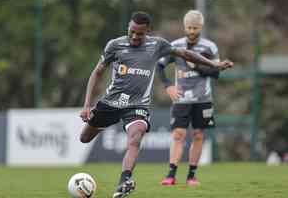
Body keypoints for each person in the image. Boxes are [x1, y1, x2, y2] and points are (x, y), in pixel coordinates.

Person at [79, 11, 233, 198]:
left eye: (140, 33)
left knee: (135, 138)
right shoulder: (115, 45)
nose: (135, 36)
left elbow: (185, 53)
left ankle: (124, 181)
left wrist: (213, 65)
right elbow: (97, 72)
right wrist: (87, 105)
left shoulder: (157, 45)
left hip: (137, 105)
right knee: (84, 138)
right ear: (128, 26)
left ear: (148, 31)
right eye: (132, 31)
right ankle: (103, 123)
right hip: (111, 102)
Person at [158, 10, 233, 187]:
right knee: (178, 134)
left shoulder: (210, 47)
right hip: (181, 99)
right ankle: (171, 174)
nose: (192, 31)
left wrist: (196, 66)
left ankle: (191, 176)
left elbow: (216, 73)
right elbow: (160, 66)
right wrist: (168, 85)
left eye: (195, 28)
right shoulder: (175, 46)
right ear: (184, 27)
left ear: (201, 27)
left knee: (198, 135)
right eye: (189, 27)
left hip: (203, 99)